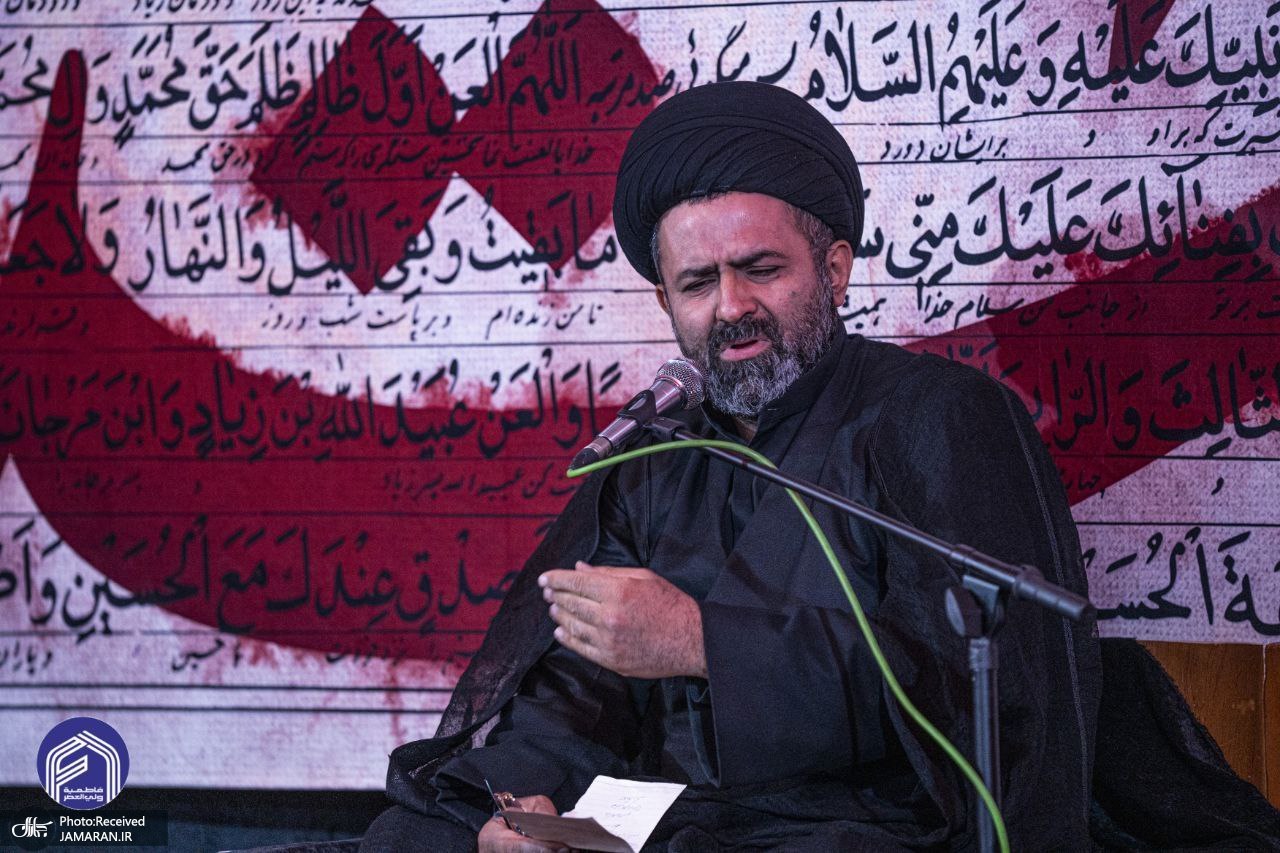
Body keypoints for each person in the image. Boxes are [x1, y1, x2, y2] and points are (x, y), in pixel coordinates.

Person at [361, 83, 1280, 852]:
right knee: (417, 834)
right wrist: (521, 802)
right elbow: (576, 688)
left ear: (835, 269)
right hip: (676, 820)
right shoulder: (652, 456)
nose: (731, 306)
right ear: (666, 299)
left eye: (760, 269)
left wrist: (705, 643)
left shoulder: (938, 418)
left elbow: (991, 688)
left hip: (864, 820)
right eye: (697, 283)